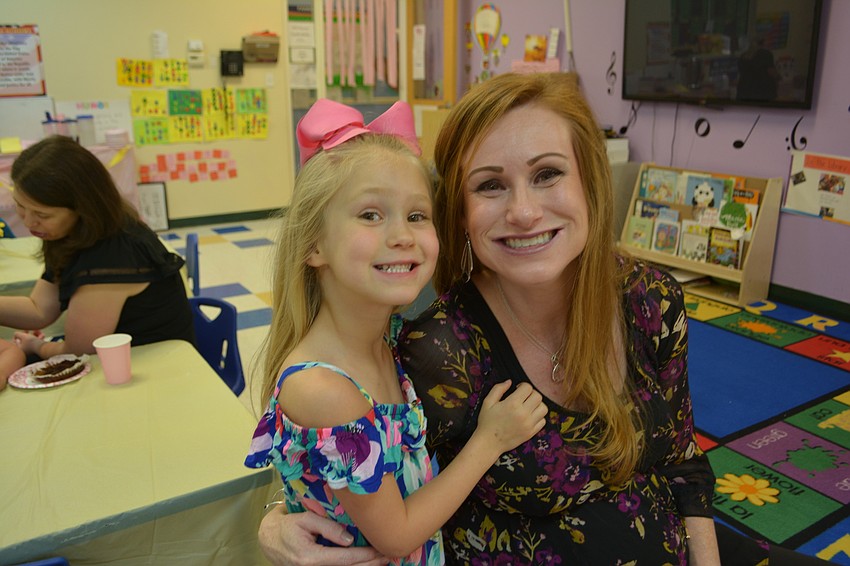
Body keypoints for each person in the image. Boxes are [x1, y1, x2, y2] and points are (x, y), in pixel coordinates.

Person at [257, 74, 828, 565]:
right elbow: (354, 467)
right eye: (490, 185)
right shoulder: (436, 351)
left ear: (589, 182)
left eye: (548, 174)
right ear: (460, 213)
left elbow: (680, 458)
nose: (524, 211)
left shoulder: (649, 299)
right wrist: (275, 519)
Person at [244, 99, 547, 565]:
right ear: (313, 244)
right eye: (370, 215)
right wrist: (491, 439)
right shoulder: (326, 389)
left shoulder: (385, 339)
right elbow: (398, 535)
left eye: (416, 215)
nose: (402, 235)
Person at [0, 135, 195, 361]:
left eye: (42, 215)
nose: (28, 222)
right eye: (20, 207)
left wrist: (36, 346)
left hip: (155, 367)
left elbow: (79, 350)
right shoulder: (70, 232)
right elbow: (39, 309)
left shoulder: (112, 254)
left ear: (82, 209)